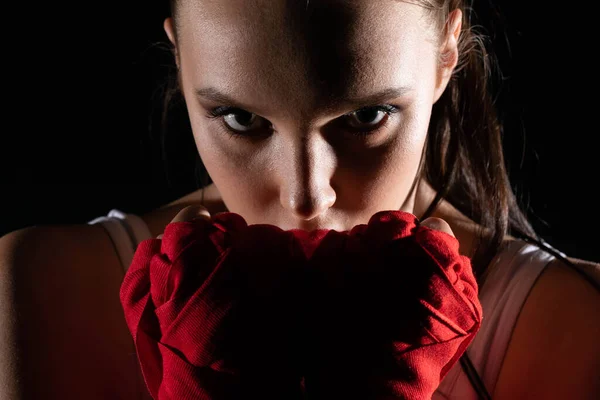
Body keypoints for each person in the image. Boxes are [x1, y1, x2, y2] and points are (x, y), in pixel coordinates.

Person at [1, 0, 598, 399]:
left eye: (366, 117)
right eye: (239, 118)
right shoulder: (41, 293)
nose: (307, 196)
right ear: (180, 56)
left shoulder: (577, 330)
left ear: (447, 53)